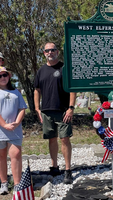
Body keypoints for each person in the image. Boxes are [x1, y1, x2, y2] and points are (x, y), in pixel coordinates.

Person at [34, 42, 76, 184]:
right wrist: (37, 109)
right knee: (52, 139)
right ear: (44, 53)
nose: (50, 52)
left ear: (57, 52)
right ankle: (54, 166)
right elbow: (37, 90)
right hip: (46, 111)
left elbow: (72, 89)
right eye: (47, 51)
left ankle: (68, 170)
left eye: (52, 50)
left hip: (63, 110)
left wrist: (71, 108)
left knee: (64, 139)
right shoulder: (41, 71)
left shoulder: (65, 68)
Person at [0, 66, 27, 195]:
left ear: (9, 76)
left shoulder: (16, 92)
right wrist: (4, 125)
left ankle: (17, 184)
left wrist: (17, 122)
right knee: (0, 156)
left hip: (14, 129)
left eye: (5, 75)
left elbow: (22, 108)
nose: (3, 78)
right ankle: (4, 183)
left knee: (16, 154)